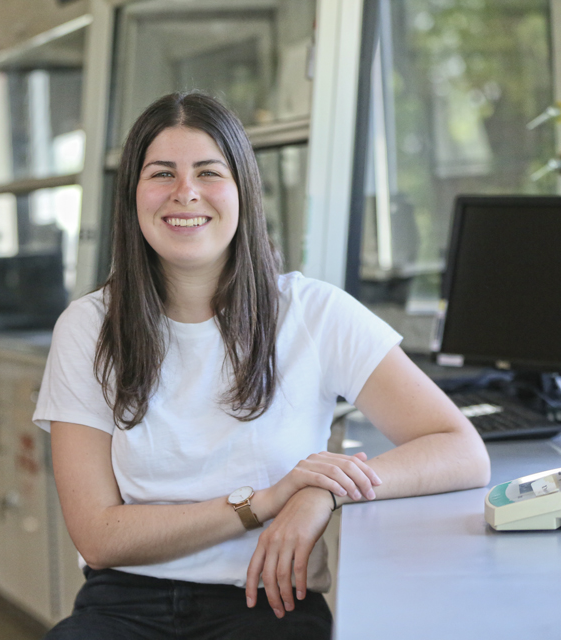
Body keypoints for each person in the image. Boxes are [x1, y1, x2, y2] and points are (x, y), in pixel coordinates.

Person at [32, 92, 490, 639]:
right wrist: (267, 502)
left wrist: (323, 491)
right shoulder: (88, 327)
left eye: (209, 172)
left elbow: (460, 449)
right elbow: (99, 535)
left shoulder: (314, 313)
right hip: (124, 604)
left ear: (243, 190)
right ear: (132, 196)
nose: (186, 192)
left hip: (272, 602)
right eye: (162, 173)